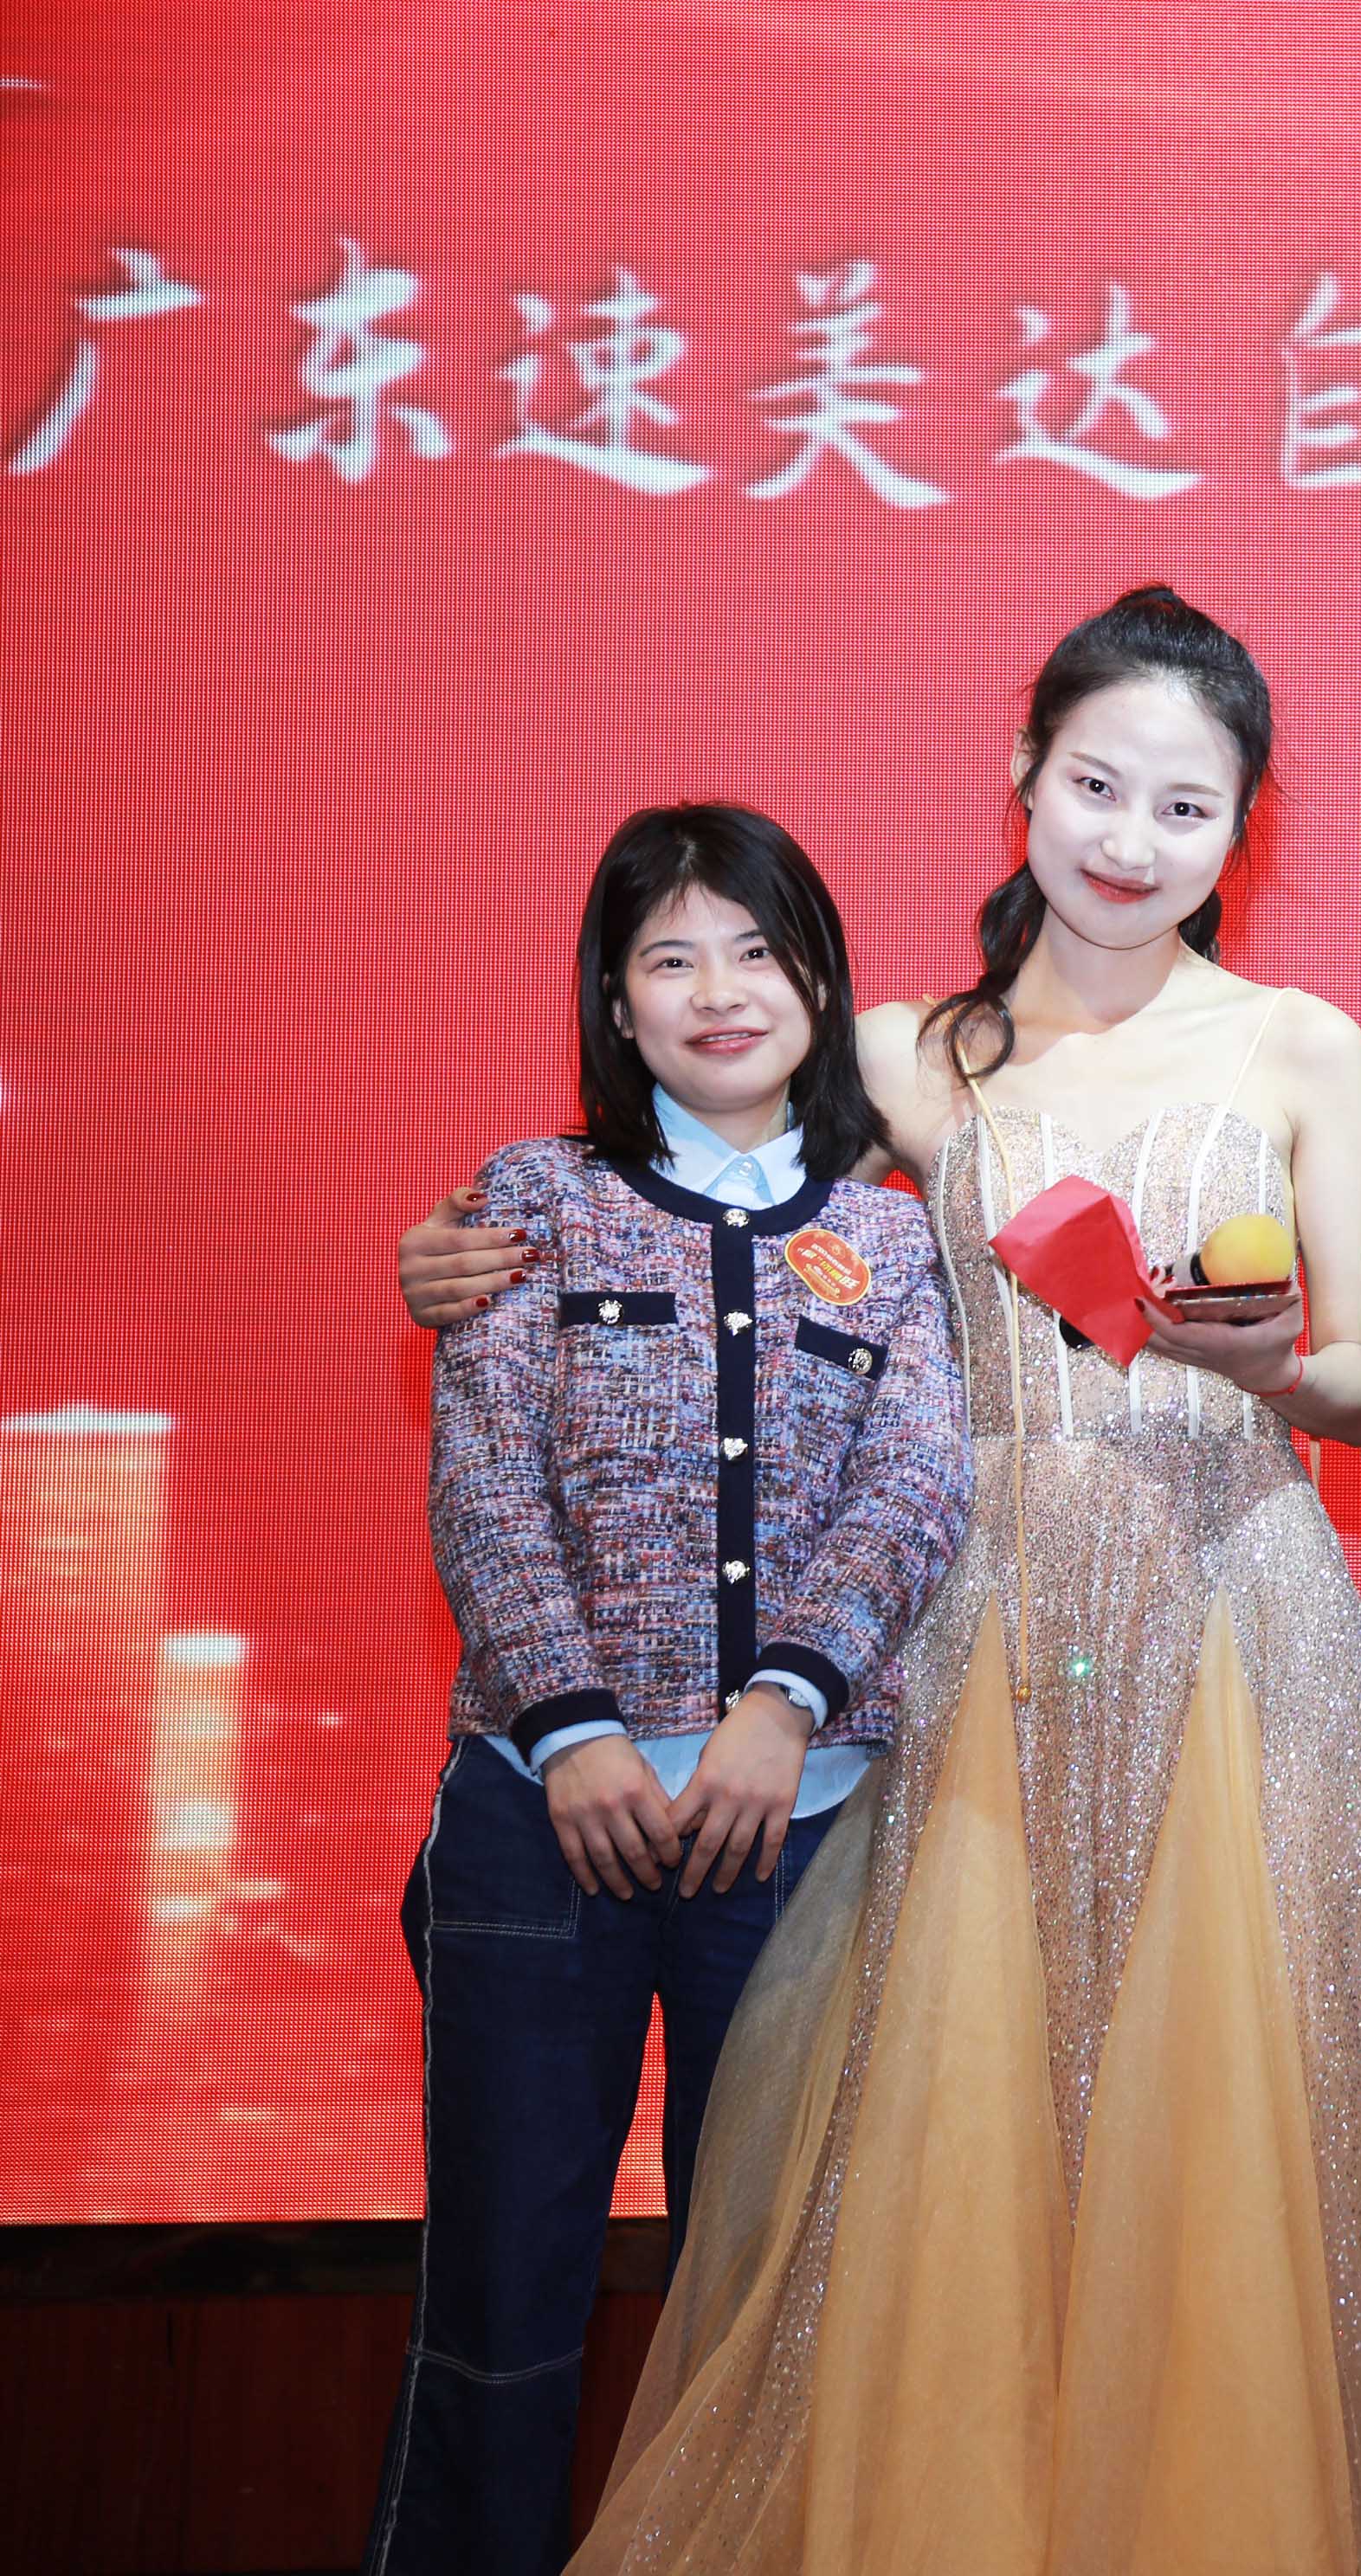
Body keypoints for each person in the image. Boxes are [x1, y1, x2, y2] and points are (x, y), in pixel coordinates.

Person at [397, 587, 1361, 2568]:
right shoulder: (906, 1054)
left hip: (1232, 1600)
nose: (1130, 839)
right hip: (968, 1625)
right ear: (1022, 776)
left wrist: (1274, 1366)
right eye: (1095, 785)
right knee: (959, 2126)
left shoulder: (1302, 1044)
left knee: (1217, 2118)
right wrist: (460, 1252)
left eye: (1186, 806)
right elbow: (710, 1196)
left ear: (1242, 827)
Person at [363, 802, 971, 2576]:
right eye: (672, 958)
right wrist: (567, 1732)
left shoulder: (897, 1236)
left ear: (819, 986)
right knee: (500, 2297)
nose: (720, 992)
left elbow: (915, 1488)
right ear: (616, 1003)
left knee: (765, 2305)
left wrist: (784, 1709)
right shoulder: (530, 1201)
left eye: (760, 953)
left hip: (802, 1838)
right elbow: (485, 1482)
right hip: (536, 1829)